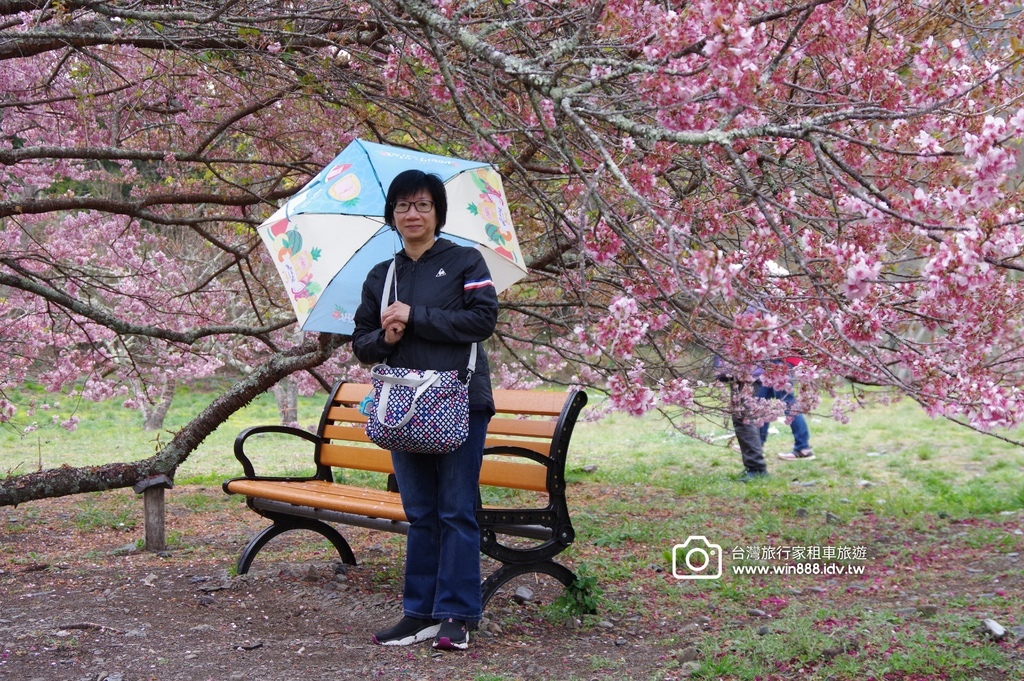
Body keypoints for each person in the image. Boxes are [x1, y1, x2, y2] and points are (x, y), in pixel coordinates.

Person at [352, 169, 499, 650]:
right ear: (391, 215)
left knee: (456, 510)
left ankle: (456, 615)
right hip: (402, 405)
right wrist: (386, 337)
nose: (411, 214)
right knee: (420, 513)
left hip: (458, 400)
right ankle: (418, 612)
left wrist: (416, 317)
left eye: (422, 205)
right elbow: (361, 345)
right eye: (402, 206)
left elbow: (482, 320)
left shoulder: (465, 262)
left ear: (437, 212)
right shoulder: (383, 275)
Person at [715, 357, 768, 481]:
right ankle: (753, 466)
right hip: (743, 370)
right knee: (741, 418)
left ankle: (757, 468)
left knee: (744, 419)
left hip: (746, 370)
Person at [757, 357, 815, 461]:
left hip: (781, 359)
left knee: (789, 403)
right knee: (761, 401)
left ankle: (803, 448)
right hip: (774, 360)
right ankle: (756, 445)